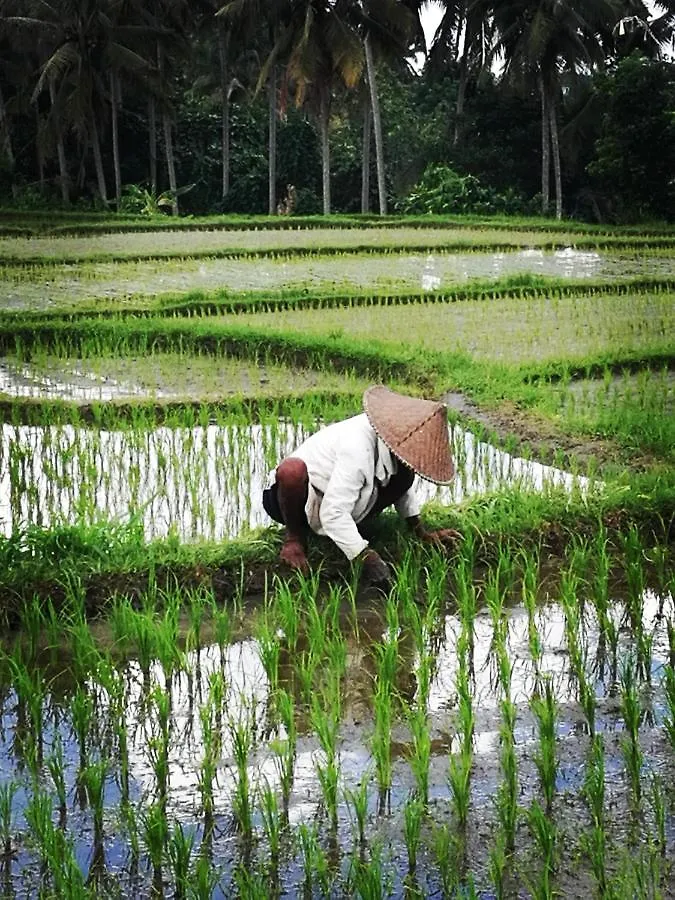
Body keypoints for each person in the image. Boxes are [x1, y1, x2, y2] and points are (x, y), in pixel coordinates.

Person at [262, 385, 459, 586]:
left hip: (339, 496)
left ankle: (348, 532)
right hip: (294, 497)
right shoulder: (357, 448)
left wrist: (420, 532)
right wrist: (365, 557)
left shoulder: (397, 450)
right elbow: (333, 513)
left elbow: (403, 488)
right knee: (291, 471)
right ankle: (294, 539)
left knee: (405, 476)